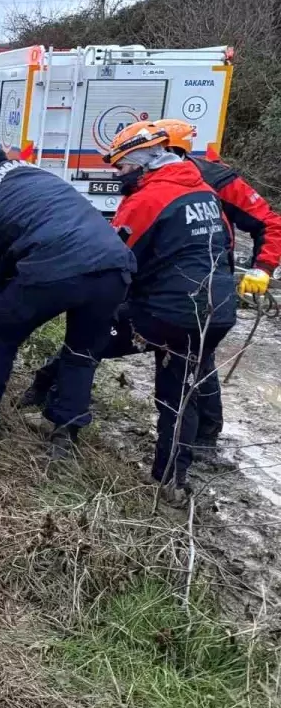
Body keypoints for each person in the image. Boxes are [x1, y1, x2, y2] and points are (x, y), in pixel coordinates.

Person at [25, 122, 237, 503]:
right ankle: (171, 478)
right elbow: (228, 248)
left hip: (164, 312)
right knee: (178, 396)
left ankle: (61, 424)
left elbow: (115, 256)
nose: (117, 175)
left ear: (143, 163)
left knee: (86, 343)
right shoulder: (205, 192)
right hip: (214, 312)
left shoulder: (148, 200)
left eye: (121, 168)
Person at [0, 141, 135, 456]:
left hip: (54, 269)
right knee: (81, 352)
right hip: (114, 266)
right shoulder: (37, 177)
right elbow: (31, 232)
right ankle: (65, 435)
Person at [158, 118, 281, 296]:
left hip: (210, 281)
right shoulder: (139, 179)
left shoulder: (217, 178)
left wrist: (262, 268)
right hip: (157, 281)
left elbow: (269, 223)